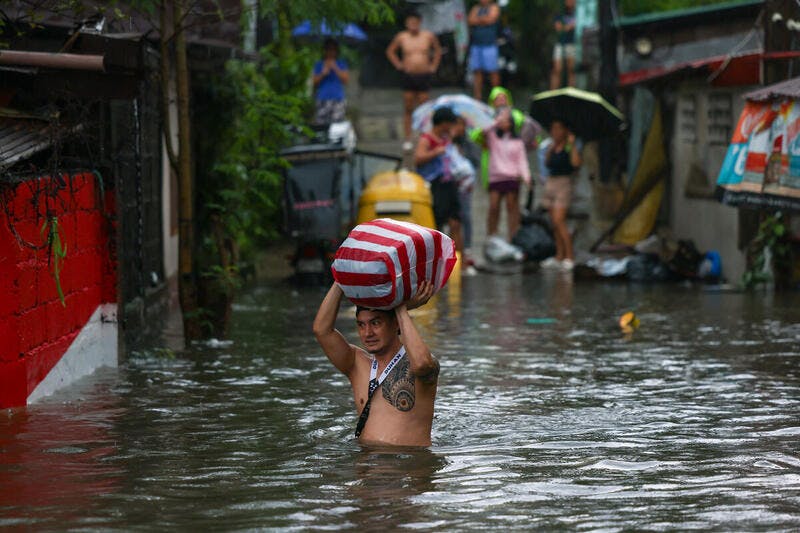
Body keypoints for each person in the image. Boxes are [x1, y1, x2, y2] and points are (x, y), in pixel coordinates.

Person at [312, 280, 439, 447]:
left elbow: (422, 364)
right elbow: (321, 330)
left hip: (408, 465)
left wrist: (400, 308)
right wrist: (341, 279)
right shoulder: (356, 363)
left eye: (376, 323)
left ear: (396, 324)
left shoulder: (420, 364)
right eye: (361, 325)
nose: (368, 333)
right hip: (366, 463)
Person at [386, 10, 442, 151]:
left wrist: (434, 65)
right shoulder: (402, 37)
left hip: (424, 74)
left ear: (419, 23)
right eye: (411, 22)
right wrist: (399, 64)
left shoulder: (428, 36)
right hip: (408, 75)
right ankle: (408, 138)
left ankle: (425, 136)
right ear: (406, 23)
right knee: (408, 106)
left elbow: (438, 50)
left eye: (415, 22)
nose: (413, 25)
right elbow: (390, 51)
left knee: (425, 106)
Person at [414, 106, 463, 254]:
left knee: (455, 222)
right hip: (435, 186)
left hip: (449, 183)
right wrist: (435, 152)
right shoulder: (426, 139)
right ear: (443, 123)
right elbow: (418, 158)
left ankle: (458, 259)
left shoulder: (446, 138)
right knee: (437, 223)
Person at [480, 106, 531, 242]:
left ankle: (513, 237)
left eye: (507, 121)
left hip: (512, 177)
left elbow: (522, 160)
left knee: (512, 208)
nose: (505, 123)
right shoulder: (493, 137)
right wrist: (498, 120)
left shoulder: (517, 141)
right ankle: (491, 235)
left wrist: (526, 177)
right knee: (494, 206)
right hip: (496, 176)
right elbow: (484, 130)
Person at [540, 119, 581, 271]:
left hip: (564, 184)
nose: (555, 132)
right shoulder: (552, 146)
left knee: (559, 220)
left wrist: (572, 144)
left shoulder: (570, 147)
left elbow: (576, 164)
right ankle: (559, 254)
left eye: (558, 129)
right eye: (553, 129)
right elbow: (547, 163)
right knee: (553, 222)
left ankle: (570, 256)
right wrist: (551, 148)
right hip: (551, 182)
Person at [448, 116, 479, 275]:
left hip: (464, 188)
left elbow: (475, 162)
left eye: (461, 125)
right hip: (449, 187)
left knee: (465, 217)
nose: (458, 128)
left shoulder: (468, 144)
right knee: (452, 221)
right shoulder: (447, 143)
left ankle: (466, 249)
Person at [467, 0, 501, 100]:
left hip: (489, 45)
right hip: (476, 45)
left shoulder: (494, 7)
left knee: (493, 71)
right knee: (477, 71)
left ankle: (496, 96)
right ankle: (477, 97)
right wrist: (483, 20)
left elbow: (490, 20)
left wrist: (477, 20)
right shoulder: (476, 8)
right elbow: (470, 20)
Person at [312, 38, 349, 125]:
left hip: (338, 98)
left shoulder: (341, 63)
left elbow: (346, 80)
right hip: (322, 98)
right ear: (324, 50)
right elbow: (314, 82)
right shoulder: (319, 64)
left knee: (337, 125)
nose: (330, 52)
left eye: (333, 50)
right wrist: (323, 73)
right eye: (328, 49)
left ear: (336, 51)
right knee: (321, 125)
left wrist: (335, 68)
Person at [550, 0, 577, 90]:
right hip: (560, 44)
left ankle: (571, 94)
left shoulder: (578, 13)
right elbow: (558, 28)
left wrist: (568, 26)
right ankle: (553, 94)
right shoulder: (560, 13)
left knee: (571, 69)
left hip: (572, 44)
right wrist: (570, 26)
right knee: (557, 69)